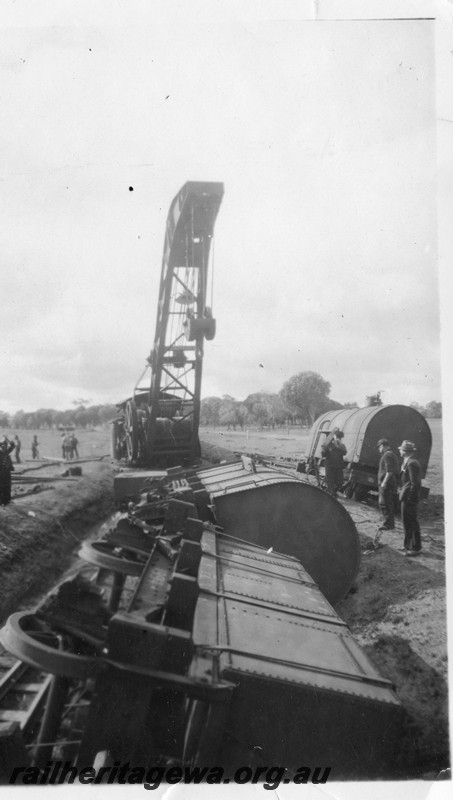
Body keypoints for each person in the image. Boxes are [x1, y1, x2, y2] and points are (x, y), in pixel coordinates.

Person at [398, 440, 422, 556]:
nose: (400, 451)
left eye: (401, 450)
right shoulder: (407, 462)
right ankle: (407, 545)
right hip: (405, 496)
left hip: (409, 498)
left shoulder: (412, 463)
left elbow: (415, 484)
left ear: (405, 452)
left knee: (411, 522)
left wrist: (410, 498)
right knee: (406, 522)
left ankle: (414, 547)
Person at [377, 438, 399, 530]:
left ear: (382, 446)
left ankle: (388, 524)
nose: (379, 450)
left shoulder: (387, 456)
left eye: (379, 447)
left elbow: (389, 471)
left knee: (384, 503)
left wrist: (384, 483)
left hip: (387, 484)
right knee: (387, 503)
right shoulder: (391, 454)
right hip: (390, 483)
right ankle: (390, 523)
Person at [321, 428, 347, 496]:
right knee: (330, 480)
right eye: (338, 437)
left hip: (338, 466)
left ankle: (332, 491)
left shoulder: (341, 445)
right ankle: (331, 493)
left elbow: (344, 452)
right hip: (330, 465)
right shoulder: (329, 445)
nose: (339, 439)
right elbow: (323, 454)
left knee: (339, 481)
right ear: (334, 437)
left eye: (340, 438)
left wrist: (338, 446)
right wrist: (325, 449)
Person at [0, 436, 16, 506]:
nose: (4, 447)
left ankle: (7, 501)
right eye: (3, 446)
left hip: (7, 473)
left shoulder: (6, 452)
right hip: (1, 473)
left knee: (8, 486)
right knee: (1, 487)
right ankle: (1, 502)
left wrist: (7, 439)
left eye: (5, 446)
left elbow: (13, 446)